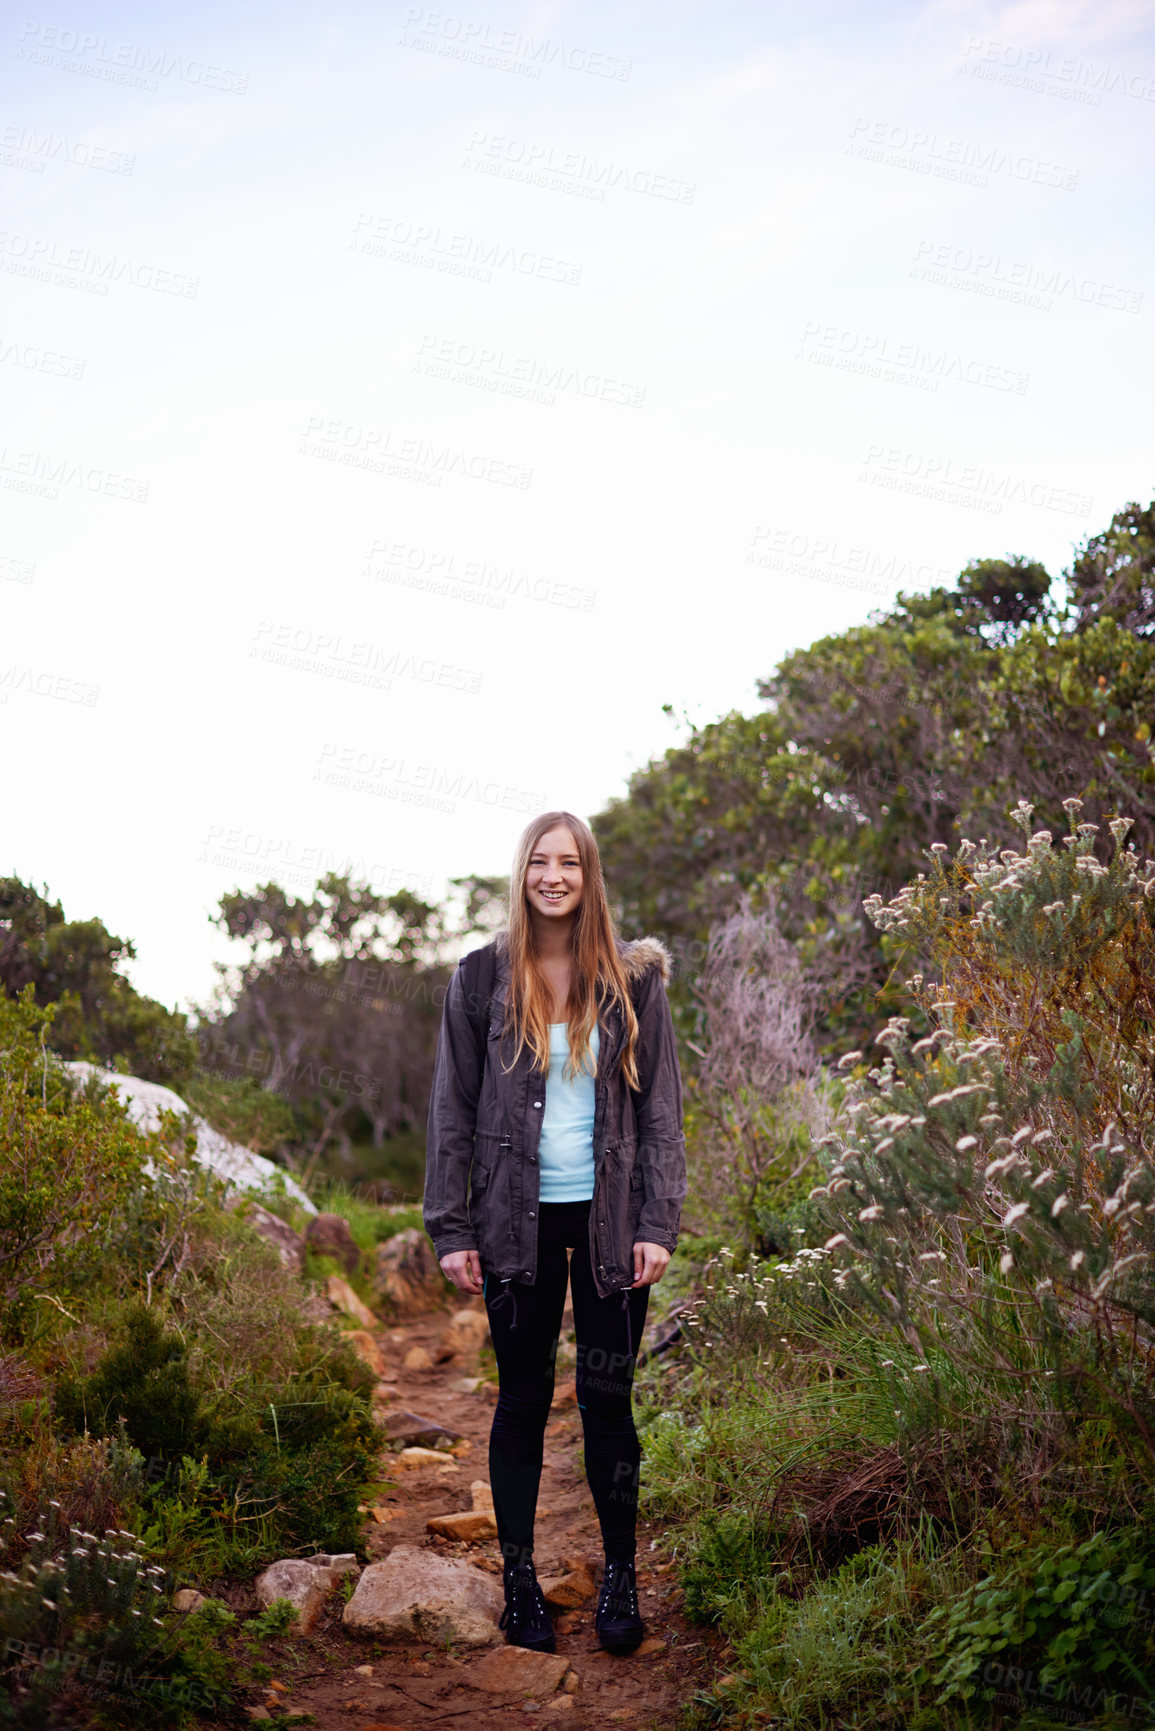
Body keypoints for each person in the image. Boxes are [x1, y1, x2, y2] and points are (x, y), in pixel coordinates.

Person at [423, 810, 686, 1654]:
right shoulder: (479, 979)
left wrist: (657, 1221)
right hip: (511, 1225)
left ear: (588, 874)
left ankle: (618, 1576)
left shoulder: (633, 980)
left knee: (609, 1403)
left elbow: (663, 1113)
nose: (553, 876)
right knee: (523, 1402)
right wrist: (450, 1225)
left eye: (568, 862)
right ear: (523, 872)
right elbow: (451, 1113)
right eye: (540, 861)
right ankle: (518, 1582)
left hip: (611, 1227)